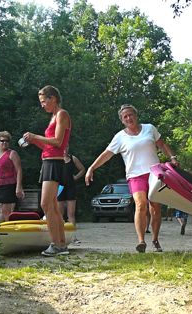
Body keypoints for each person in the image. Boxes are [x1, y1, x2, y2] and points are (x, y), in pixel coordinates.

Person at [85, 104, 178, 253]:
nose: (129, 118)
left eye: (131, 115)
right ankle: (141, 241)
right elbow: (106, 154)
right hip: (135, 175)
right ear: (122, 120)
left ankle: (155, 239)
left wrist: (172, 157)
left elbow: (162, 144)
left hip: (154, 173)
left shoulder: (149, 128)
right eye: (125, 116)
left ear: (136, 115)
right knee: (140, 204)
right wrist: (91, 168)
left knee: (155, 207)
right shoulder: (120, 137)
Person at [23, 85, 72, 256]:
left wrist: (36, 136)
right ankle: (61, 245)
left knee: (45, 203)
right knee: (53, 206)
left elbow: (58, 142)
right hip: (49, 161)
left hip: (54, 163)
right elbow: (48, 145)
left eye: (44, 101)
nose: (42, 105)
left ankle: (56, 244)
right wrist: (34, 141)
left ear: (53, 99)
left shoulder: (62, 114)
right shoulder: (53, 117)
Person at [58, 148, 85, 228]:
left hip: (70, 187)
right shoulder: (57, 158)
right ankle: (60, 235)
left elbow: (82, 169)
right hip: (59, 187)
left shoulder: (73, 158)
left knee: (71, 214)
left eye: (67, 147)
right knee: (59, 213)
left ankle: (72, 236)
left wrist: (76, 177)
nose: (65, 149)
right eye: (63, 147)